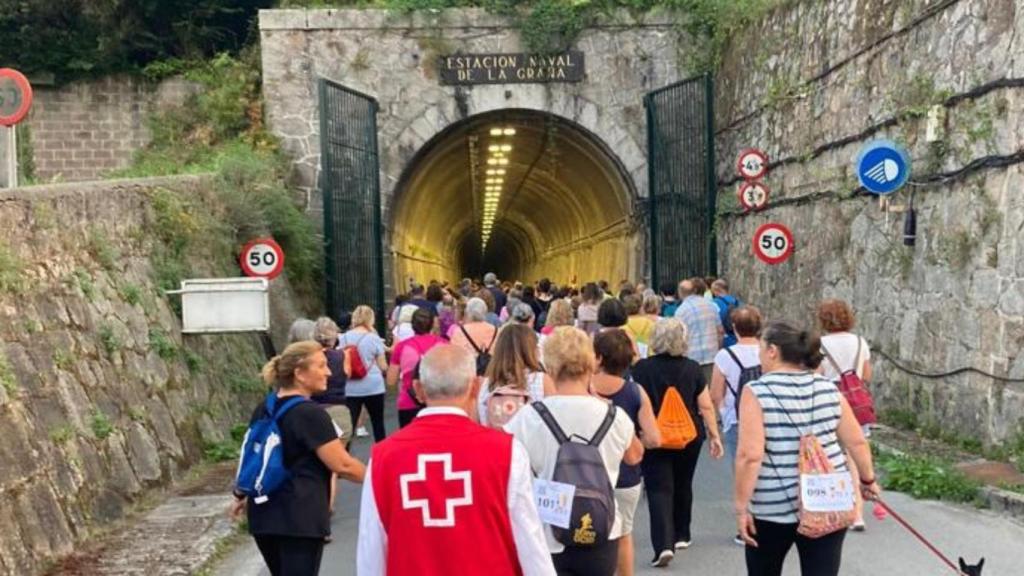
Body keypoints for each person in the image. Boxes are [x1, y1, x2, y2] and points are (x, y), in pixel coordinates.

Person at [357, 345, 556, 576]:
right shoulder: (507, 452)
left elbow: (370, 551)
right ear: (474, 387)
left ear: (419, 390)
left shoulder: (384, 457)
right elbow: (530, 542)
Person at [734, 321, 879, 576]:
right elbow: (856, 441)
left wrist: (742, 506)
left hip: (773, 505)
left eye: (761, 348)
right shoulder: (828, 389)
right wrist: (867, 480)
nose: (759, 355)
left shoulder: (756, 391)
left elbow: (750, 455)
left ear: (773, 351)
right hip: (828, 500)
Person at [505, 327, 643, 575]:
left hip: (548, 532)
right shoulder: (612, 415)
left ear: (549, 366)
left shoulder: (530, 417)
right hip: (602, 527)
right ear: (592, 363)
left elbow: (504, 460)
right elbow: (634, 456)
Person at [232, 341, 366, 576]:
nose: (328, 372)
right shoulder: (310, 414)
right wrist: (381, 476)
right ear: (299, 374)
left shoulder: (265, 407)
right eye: (321, 365)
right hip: (299, 517)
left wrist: (241, 494)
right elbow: (342, 465)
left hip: (264, 516)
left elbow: (256, 452)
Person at [631, 319, 723, 567]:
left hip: (654, 435)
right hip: (688, 436)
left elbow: (635, 401)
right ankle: (682, 533)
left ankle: (663, 544)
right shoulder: (692, 368)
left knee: (659, 488)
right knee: (683, 482)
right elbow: (704, 405)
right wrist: (714, 435)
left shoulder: (641, 368)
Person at [591, 330, 661, 576]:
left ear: (598, 358)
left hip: (589, 474)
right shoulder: (635, 392)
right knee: (623, 533)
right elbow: (654, 438)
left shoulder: (586, 389)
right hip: (626, 475)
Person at [817, 298, 875, 530]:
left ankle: (831, 508)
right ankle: (857, 514)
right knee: (855, 456)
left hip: (828, 401)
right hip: (856, 404)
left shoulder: (819, 345)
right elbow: (866, 376)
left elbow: (817, 373)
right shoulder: (860, 342)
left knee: (828, 456)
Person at [710, 306, 763, 545]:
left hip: (738, 418)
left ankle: (748, 524)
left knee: (742, 470)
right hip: (767, 417)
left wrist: (722, 415)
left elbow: (715, 392)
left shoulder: (725, 356)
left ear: (734, 328)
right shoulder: (768, 352)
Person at [477, 323, 555, 425]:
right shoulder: (542, 381)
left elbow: (481, 420)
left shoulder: (488, 383)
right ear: (532, 350)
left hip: (497, 439)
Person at [387, 308, 444, 427]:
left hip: (409, 401)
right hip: (439, 402)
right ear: (432, 325)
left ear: (412, 326)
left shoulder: (402, 347)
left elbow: (391, 380)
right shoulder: (444, 345)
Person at [341, 306, 389, 443]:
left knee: (349, 426)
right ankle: (381, 457)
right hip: (373, 386)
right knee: (378, 423)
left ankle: (345, 455)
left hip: (350, 387)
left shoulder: (343, 338)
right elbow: (383, 366)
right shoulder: (374, 338)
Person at [674, 278, 723, 383]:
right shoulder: (711, 305)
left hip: (691, 357)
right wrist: (718, 348)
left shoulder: (681, 311)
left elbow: (678, 336)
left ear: (680, 292)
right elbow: (720, 331)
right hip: (711, 355)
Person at [623, 293, 655, 359]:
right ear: (641, 308)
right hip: (649, 358)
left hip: (629, 359)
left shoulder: (622, 326)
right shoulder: (652, 324)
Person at [711, 279, 742, 347]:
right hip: (737, 339)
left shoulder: (714, 303)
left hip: (724, 341)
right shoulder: (737, 302)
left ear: (716, 290)